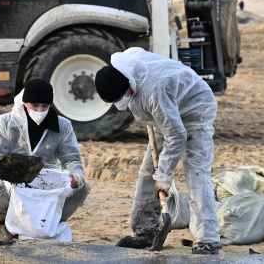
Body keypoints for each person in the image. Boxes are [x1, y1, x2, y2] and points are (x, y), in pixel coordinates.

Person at [94, 47, 221, 255]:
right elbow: (137, 50)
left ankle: (208, 239)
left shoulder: (153, 91)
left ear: (127, 87)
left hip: (195, 107)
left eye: (118, 99)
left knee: (196, 172)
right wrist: (157, 171)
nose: (118, 104)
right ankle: (145, 231)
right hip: (166, 110)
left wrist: (164, 175)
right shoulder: (127, 63)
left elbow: (177, 135)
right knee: (147, 170)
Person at [0, 78, 89, 240]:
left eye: (45, 106)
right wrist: (8, 174)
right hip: (11, 178)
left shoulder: (62, 125)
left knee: (81, 188)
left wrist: (76, 176)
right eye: (34, 106)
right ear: (25, 103)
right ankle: (3, 226)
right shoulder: (5, 122)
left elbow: (72, 158)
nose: (39, 110)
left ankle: (54, 221)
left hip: (46, 178)